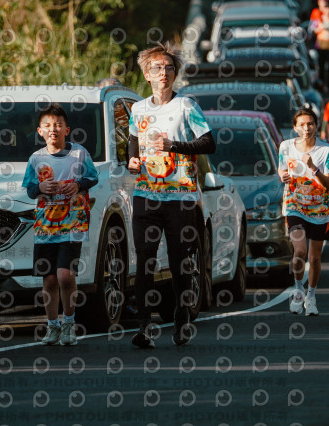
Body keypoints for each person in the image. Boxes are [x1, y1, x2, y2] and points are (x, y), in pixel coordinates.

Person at [127, 42, 215, 348]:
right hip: (146, 194)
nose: (163, 72)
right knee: (145, 259)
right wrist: (132, 159)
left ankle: (182, 315)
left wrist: (173, 146)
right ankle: (144, 326)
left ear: (175, 73)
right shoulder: (138, 109)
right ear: (147, 74)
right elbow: (133, 140)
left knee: (180, 261)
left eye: (168, 67)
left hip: (180, 196)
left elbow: (208, 143)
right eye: (156, 68)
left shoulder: (186, 106)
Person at [22, 103, 99, 346]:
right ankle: (52, 325)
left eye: (58, 125)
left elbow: (92, 177)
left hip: (72, 224)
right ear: (40, 131)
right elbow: (30, 190)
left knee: (65, 275)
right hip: (45, 227)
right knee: (49, 279)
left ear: (67, 129)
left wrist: (77, 185)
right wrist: (40, 187)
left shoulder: (79, 153)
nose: (53, 129)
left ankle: (69, 323)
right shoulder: (36, 158)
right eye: (47, 125)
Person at [278, 108, 329, 316]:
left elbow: (328, 183)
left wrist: (314, 168)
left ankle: (311, 296)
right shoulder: (286, 146)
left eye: (310, 124)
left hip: (319, 209)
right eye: (302, 125)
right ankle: (298, 291)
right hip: (294, 205)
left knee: (315, 258)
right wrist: (283, 175)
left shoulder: (326, 150)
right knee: (300, 251)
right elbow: (281, 168)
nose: (306, 128)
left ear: (316, 126)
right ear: (295, 128)